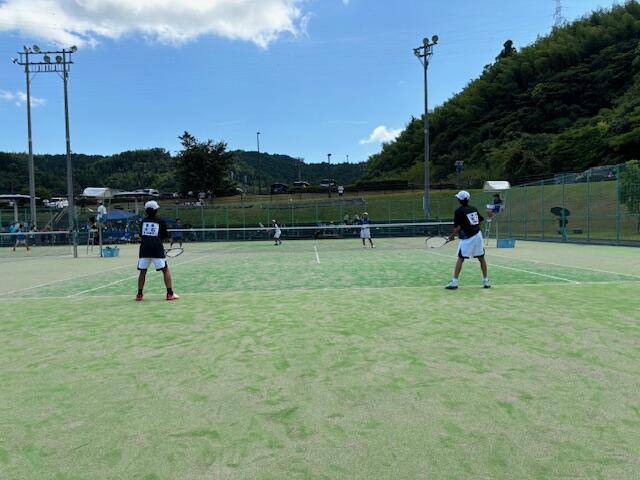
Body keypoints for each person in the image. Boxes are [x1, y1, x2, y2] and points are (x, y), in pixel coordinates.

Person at [445, 191, 490, 290]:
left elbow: (457, 227)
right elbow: (480, 220)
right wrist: (474, 228)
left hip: (467, 238)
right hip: (478, 235)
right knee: (481, 258)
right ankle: (486, 281)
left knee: (461, 258)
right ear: (468, 200)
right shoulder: (473, 209)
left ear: (459, 200)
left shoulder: (458, 211)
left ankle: (454, 282)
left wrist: (452, 236)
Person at [136, 200, 179, 301]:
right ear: (156, 210)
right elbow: (164, 236)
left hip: (144, 249)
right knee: (165, 270)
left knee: (143, 272)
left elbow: (141, 235)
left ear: (146, 211)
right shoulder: (160, 221)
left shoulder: (143, 222)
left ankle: (139, 295)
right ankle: (170, 294)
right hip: (157, 249)